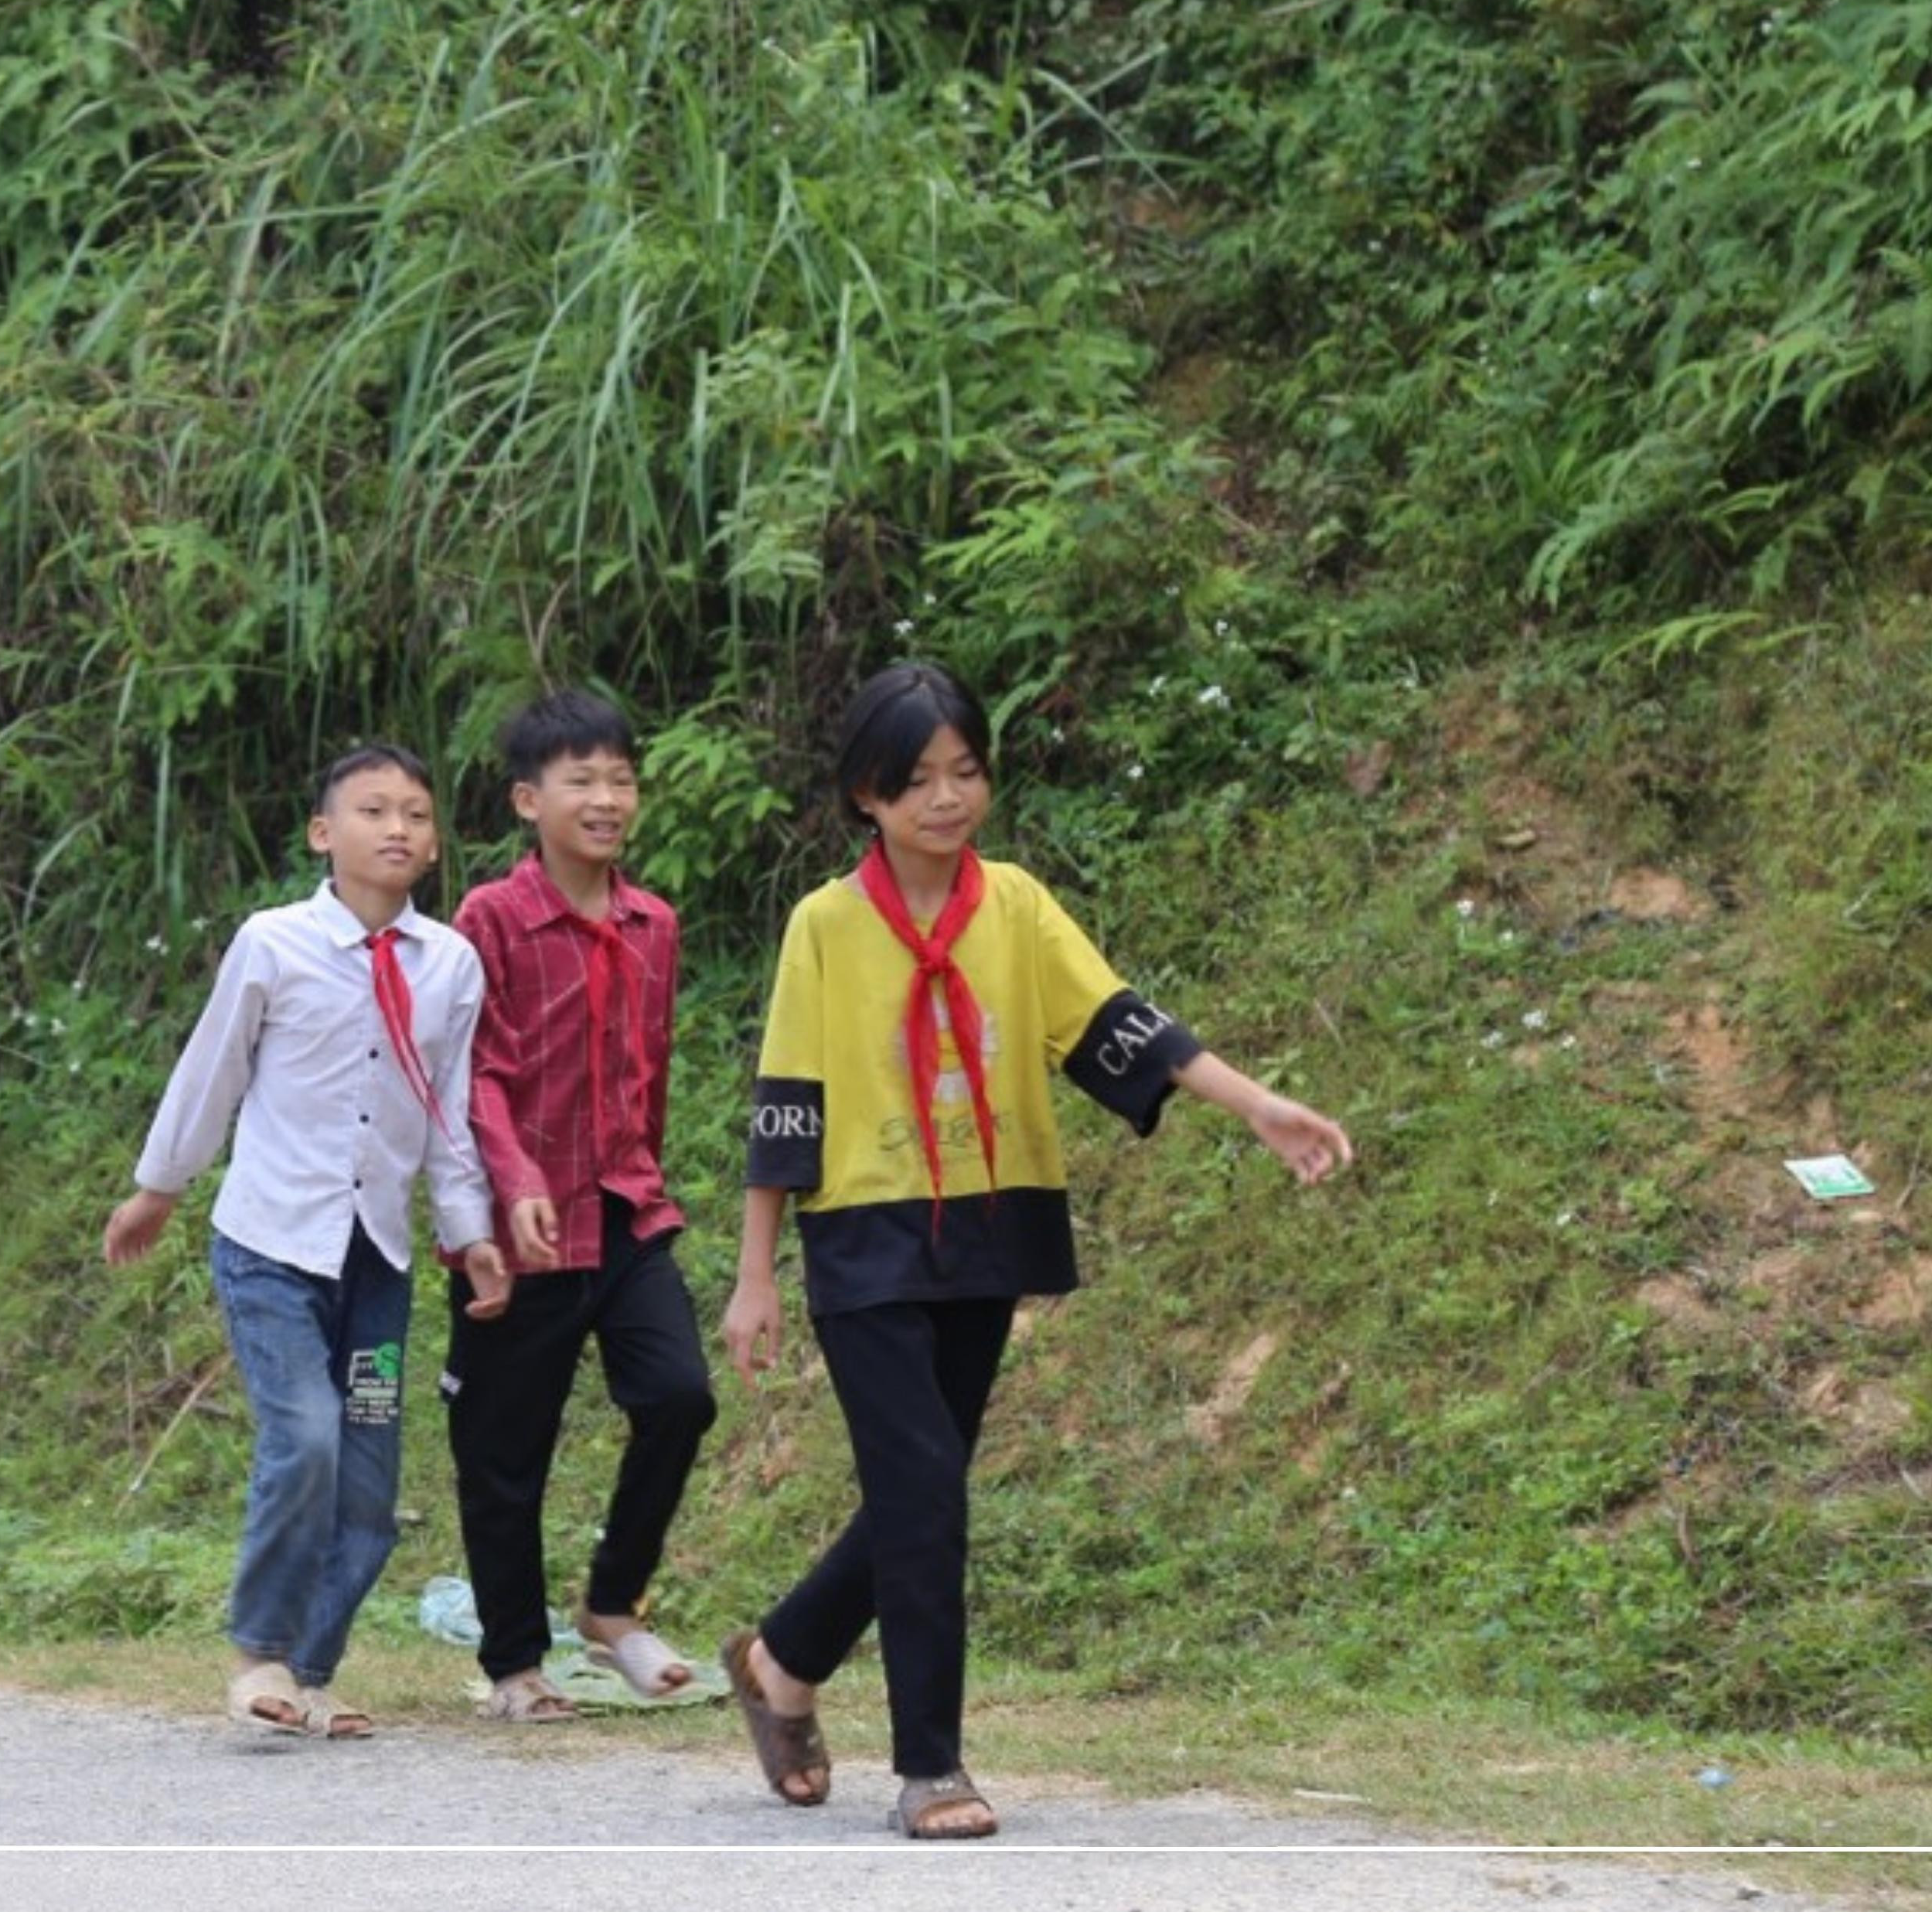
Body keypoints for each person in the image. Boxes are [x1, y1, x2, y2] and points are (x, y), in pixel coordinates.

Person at [717, 665, 1351, 1838]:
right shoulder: (824, 924)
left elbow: (1118, 1021)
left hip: (990, 1222)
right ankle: (930, 1769)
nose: (948, 800)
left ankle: (782, 1661)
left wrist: (1255, 1104)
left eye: (966, 772)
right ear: (868, 795)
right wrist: (756, 1276)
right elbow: (786, 1103)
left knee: (925, 1491)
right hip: (862, 1233)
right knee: (925, 1495)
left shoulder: (1014, 904)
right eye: (917, 782)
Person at [104, 745, 510, 1740]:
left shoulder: (450, 963)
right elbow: (215, 1071)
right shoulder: (274, 944)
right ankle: (258, 1652)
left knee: (368, 1474)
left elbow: (447, 1111)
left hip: (375, 1269)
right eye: (373, 811)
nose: (399, 830)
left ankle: (311, 1670)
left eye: (417, 813)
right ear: (325, 833)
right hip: (273, 1254)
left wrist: (472, 1232)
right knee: (307, 1436)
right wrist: (160, 1186)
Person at [448, 687, 719, 1721]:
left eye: (622, 780)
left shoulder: (655, 924)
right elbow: (475, 1072)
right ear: (529, 800)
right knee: (504, 1453)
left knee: (678, 1397)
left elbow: (648, 1070)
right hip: (523, 1230)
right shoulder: (491, 919)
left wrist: (639, 1165)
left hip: (625, 1210)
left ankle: (611, 1611)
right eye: (582, 782)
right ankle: (514, 1665)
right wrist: (509, 1190)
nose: (607, 800)